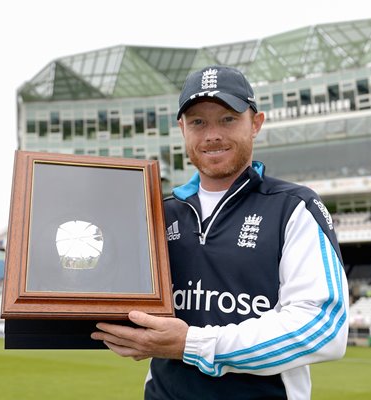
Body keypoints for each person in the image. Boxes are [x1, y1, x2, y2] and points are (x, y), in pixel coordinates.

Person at [91, 65, 349, 399]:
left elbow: (323, 326)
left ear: (256, 124)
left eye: (228, 119)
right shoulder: (157, 212)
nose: (212, 134)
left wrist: (191, 344)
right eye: (198, 122)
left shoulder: (294, 207)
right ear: (182, 128)